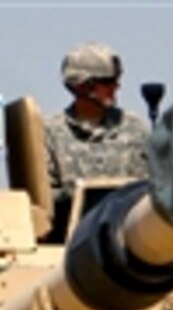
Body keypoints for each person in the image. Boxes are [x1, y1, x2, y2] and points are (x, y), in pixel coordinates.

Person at [43, 42, 149, 207]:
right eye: (108, 82)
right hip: (71, 231)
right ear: (82, 86)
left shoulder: (134, 129)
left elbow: (149, 189)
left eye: (116, 80)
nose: (116, 87)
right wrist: (76, 194)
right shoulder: (50, 132)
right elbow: (41, 198)